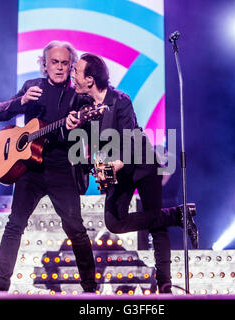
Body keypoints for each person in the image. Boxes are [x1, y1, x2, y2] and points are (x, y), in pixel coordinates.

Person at [67, 53, 198, 293]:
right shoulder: (80, 103)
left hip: (141, 164)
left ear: (90, 79)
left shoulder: (120, 100)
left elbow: (129, 141)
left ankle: (165, 282)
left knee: (155, 222)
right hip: (116, 171)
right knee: (114, 223)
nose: (72, 75)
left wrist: (115, 164)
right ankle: (178, 214)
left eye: (76, 71)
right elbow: (86, 141)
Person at [0, 41, 97, 293]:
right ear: (44, 64)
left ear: (70, 66)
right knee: (15, 224)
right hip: (29, 169)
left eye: (64, 63)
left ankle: (90, 289)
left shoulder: (79, 97)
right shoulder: (32, 88)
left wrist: (77, 127)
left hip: (61, 168)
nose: (59, 68)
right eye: (54, 62)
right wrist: (21, 101)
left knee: (75, 228)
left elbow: (89, 135)